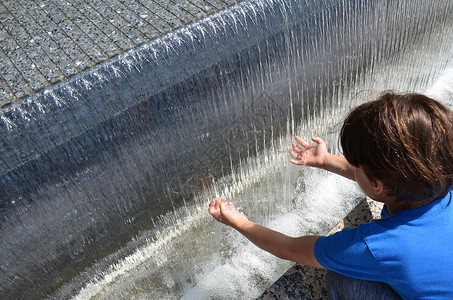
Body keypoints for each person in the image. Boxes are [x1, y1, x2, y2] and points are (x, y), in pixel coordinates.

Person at [208, 91, 453, 299]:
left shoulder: (376, 246)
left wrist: (239, 221)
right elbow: (378, 179)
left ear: (377, 184)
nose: (352, 166)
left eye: (356, 164)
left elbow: (290, 249)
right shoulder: (440, 179)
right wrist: (325, 160)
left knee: (343, 277)